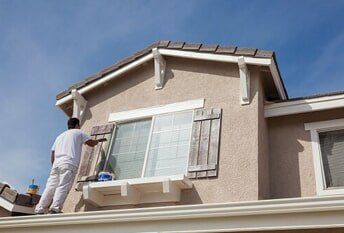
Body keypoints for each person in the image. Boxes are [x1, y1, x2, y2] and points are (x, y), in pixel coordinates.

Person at [35, 118, 100, 214]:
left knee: (50, 186)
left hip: (56, 164)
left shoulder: (59, 137)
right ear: (77, 124)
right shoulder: (79, 133)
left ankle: (39, 209)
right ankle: (55, 208)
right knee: (63, 185)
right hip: (69, 163)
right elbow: (90, 143)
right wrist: (97, 141)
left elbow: (53, 153)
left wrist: (54, 166)